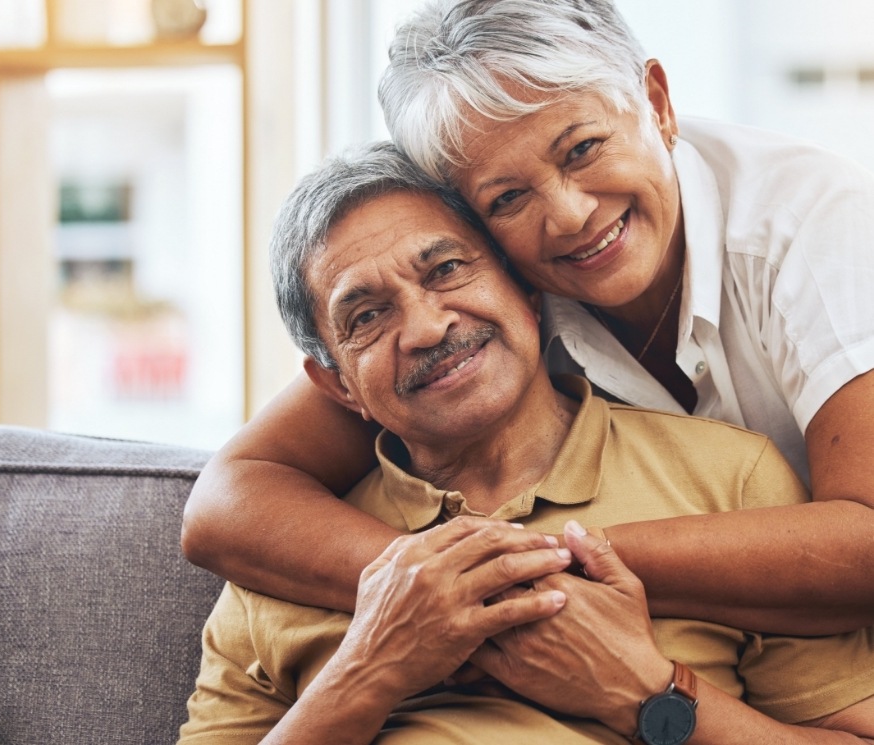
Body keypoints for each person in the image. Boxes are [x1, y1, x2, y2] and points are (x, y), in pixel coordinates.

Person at [181, 0, 874, 635]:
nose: (570, 215)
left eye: (583, 149)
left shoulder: (816, 223)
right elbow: (225, 505)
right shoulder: (482, 291)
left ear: (656, 102)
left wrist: (530, 564)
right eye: (508, 196)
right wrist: (433, 585)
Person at [179, 142, 874, 745]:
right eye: (367, 314)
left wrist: (650, 693)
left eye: (447, 268)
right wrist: (372, 667)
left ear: (530, 290)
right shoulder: (283, 562)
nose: (425, 326)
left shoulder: (734, 480)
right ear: (337, 386)